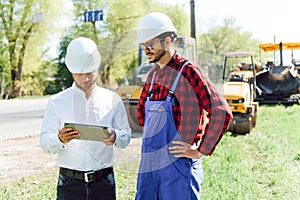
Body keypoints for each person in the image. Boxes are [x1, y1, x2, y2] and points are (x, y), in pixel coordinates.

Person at [135, 12, 233, 200]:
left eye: (151, 43)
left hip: (177, 169)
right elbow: (142, 114)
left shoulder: (189, 72)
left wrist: (199, 150)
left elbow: (222, 113)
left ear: (167, 41)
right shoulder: (152, 76)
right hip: (150, 167)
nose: (146, 49)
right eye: (143, 45)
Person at [40, 37, 131, 200]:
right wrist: (59, 138)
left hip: (104, 182)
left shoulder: (112, 100)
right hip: (69, 183)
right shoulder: (56, 101)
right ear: (71, 71)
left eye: (90, 73)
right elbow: (45, 143)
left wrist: (115, 136)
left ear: (97, 67)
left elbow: (126, 136)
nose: (86, 78)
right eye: (80, 74)